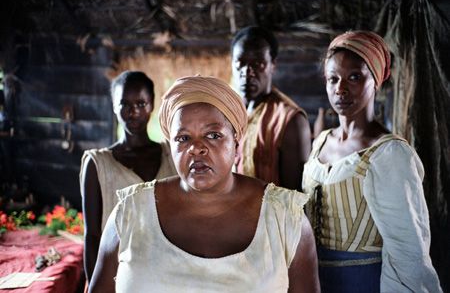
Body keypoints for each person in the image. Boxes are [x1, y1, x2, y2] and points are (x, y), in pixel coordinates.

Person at [89, 76, 320, 292]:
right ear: (171, 146)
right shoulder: (129, 212)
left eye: (213, 135)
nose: (196, 148)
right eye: (183, 138)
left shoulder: (285, 219)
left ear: (236, 142)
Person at [302, 31, 442, 292]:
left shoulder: (389, 154)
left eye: (354, 77)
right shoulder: (320, 141)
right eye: (333, 79)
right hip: (315, 281)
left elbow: (408, 249)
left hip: (365, 282)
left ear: (375, 80)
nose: (340, 88)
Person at [79, 71, 176, 284]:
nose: (133, 112)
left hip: (168, 274)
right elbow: (92, 235)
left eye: (141, 104)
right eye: (124, 104)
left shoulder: (172, 157)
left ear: (152, 105)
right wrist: (95, 286)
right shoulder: (98, 164)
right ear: (114, 106)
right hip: (118, 277)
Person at [231, 26, 311, 191]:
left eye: (258, 64)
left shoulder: (290, 120)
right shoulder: (227, 113)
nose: (247, 72)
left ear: (272, 65)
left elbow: (293, 197)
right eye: (240, 63)